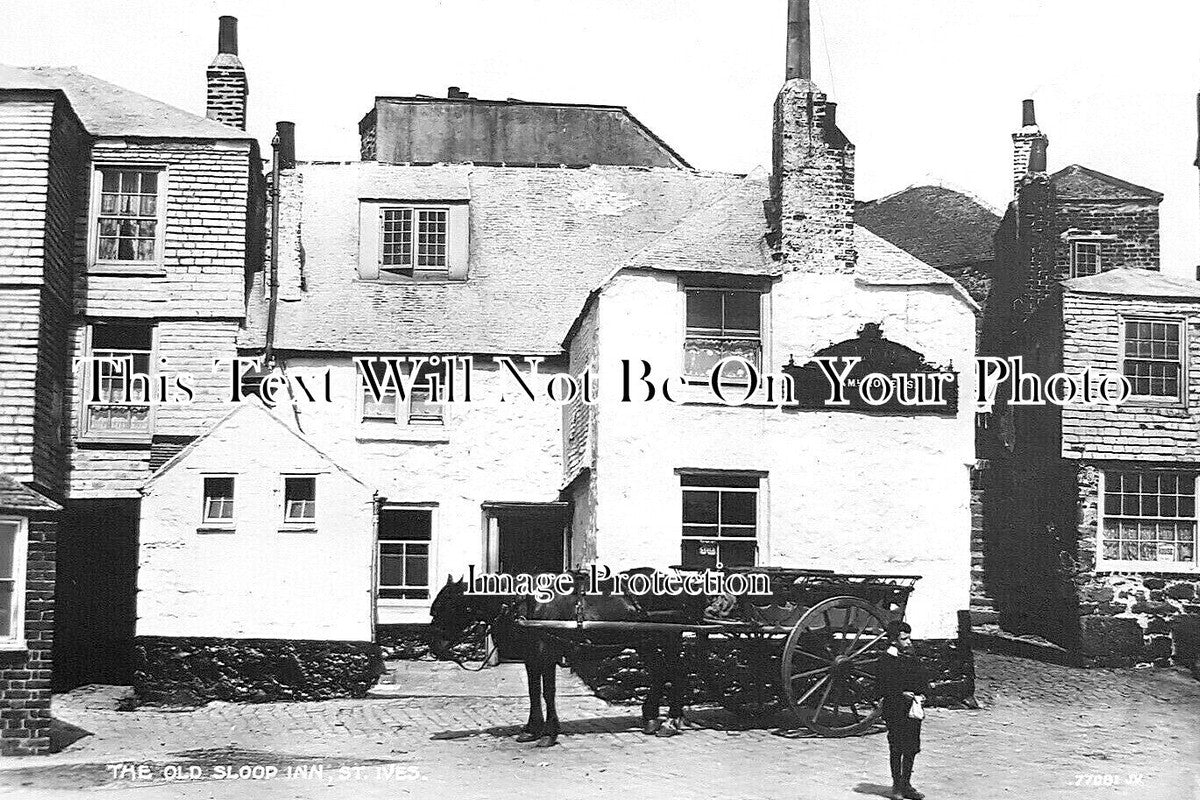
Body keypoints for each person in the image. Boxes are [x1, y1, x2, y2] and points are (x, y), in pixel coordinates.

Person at [876, 620, 930, 800]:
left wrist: (922, 694)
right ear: (893, 640)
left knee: (912, 747)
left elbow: (922, 678)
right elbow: (882, 685)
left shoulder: (912, 657)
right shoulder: (886, 659)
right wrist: (900, 693)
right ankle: (897, 786)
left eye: (909, 638)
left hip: (912, 709)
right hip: (895, 709)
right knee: (896, 747)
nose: (908, 642)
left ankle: (907, 784)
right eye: (904, 639)